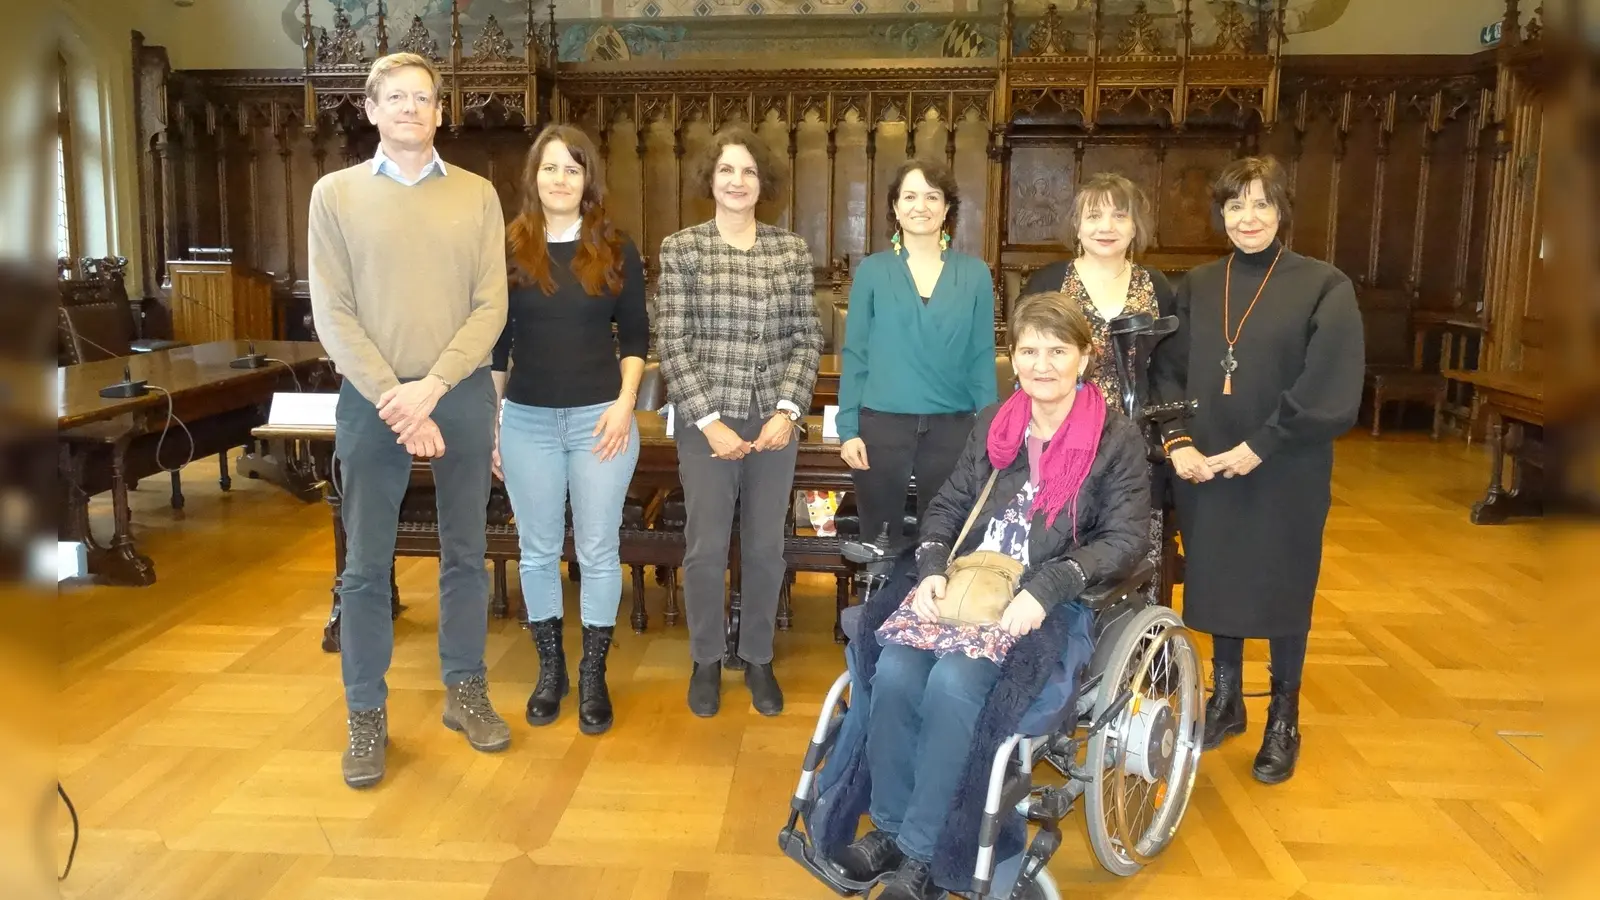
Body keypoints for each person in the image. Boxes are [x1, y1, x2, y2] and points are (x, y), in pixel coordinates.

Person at [836, 292, 1151, 899]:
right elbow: (952, 503)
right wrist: (930, 565)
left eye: (1058, 350)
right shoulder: (997, 422)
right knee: (897, 669)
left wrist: (1052, 584)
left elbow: (1126, 538)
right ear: (1014, 358)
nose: (1042, 363)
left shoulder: (1115, 439)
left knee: (955, 683)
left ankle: (924, 856)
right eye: (1029, 350)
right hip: (968, 582)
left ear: (1084, 358)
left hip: (1048, 597)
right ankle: (895, 832)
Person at [308, 52, 510, 788]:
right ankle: (366, 712)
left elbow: (492, 306)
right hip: (371, 397)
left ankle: (465, 687)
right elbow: (332, 312)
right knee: (365, 565)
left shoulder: (479, 195)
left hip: (454, 392)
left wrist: (431, 389)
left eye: (423, 98)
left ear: (439, 111)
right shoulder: (335, 196)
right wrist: (397, 394)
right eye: (395, 97)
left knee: (465, 552)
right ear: (370, 108)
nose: (410, 109)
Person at [1150, 155, 1364, 785]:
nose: (1248, 217)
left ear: (1282, 213)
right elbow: (1167, 369)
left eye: (1261, 204)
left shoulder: (1325, 285)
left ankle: (1284, 718)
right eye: (1236, 205)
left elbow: (1329, 383)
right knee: (1217, 578)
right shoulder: (1197, 283)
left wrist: (1264, 444)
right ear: (1221, 215)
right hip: (1207, 466)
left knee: (1281, 586)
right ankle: (1225, 701)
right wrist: (1178, 441)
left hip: (1285, 467)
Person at [654, 125, 824, 719]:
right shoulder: (683, 249)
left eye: (748, 171)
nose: (737, 181)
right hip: (707, 423)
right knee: (703, 548)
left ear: (762, 183)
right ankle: (705, 658)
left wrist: (787, 411)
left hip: (773, 422)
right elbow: (672, 344)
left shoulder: (790, 250)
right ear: (711, 178)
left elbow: (807, 339)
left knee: (764, 546)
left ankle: (755, 656)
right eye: (727, 169)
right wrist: (708, 420)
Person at [490, 124, 648, 736]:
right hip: (526, 419)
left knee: (598, 549)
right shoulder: (508, 247)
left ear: (589, 180)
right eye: (550, 167)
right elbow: (497, 348)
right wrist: (495, 426)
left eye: (572, 168)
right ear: (533, 177)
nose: (560, 178)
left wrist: (624, 403)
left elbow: (635, 337)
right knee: (535, 549)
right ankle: (550, 668)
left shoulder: (614, 247)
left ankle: (593, 675)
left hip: (599, 419)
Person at [1024, 172, 1177, 601]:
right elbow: (1028, 360)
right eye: (1094, 216)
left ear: (1135, 226)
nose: (1106, 227)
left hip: (1135, 440)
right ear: (1076, 225)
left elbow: (1168, 368)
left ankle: (1133, 649)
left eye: (1119, 215)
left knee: (1131, 546)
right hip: (1061, 434)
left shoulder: (1157, 286)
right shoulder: (1048, 282)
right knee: (1061, 541)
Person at [837, 158, 996, 545]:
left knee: (947, 542)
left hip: (953, 428)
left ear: (947, 208)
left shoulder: (975, 274)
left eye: (932, 196)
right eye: (909, 196)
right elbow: (855, 353)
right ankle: (877, 608)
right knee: (880, 544)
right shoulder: (872, 271)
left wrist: (992, 429)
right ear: (895, 207)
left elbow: (981, 357)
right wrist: (847, 429)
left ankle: (933, 609)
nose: (920, 206)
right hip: (881, 426)